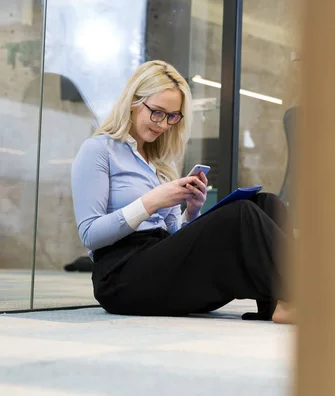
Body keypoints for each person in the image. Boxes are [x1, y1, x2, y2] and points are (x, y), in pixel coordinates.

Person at [71, 60, 294, 324]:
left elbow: (172, 237)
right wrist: (152, 201)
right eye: (157, 112)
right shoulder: (99, 150)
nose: (163, 124)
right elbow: (90, 235)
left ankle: (276, 304)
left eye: (172, 116)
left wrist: (192, 211)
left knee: (266, 203)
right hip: (122, 277)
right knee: (241, 215)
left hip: (159, 264)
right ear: (133, 101)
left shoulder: (159, 162)